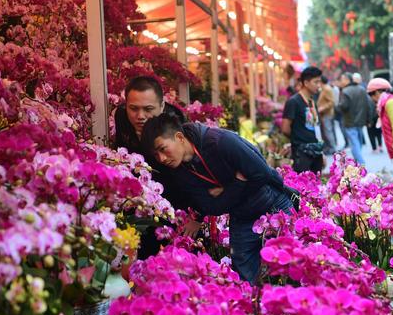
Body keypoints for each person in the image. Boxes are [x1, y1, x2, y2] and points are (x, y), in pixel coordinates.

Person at [141, 113, 293, 283]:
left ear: (179, 137)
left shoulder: (221, 141)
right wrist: (237, 183)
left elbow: (262, 174)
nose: (161, 159)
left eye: (163, 149)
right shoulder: (178, 171)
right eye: (156, 155)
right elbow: (213, 207)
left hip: (273, 204)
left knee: (289, 268)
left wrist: (224, 191)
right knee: (244, 280)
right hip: (241, 215)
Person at [113, 75, 199, 256]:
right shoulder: (121, 117)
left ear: (162, 106)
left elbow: (197, 173)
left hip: (177, 199)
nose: (140, 116)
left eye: (148, 109)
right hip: (139, 202)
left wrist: (198, 217)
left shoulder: (178, 127)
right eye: (133, 108)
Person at [281, 66, 324, 173]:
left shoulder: (312, 101)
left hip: (316, 151)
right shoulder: (293, 101)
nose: (319, 86)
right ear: (306, 82)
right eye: (316, 82)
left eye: (320, 82)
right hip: (302, 154)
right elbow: (285, 128)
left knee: (317, 185)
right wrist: (298, 138)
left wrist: (321, 151)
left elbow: (316, 126)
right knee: (303, 185)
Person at [337, 73, 370, 165]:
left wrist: (338, 106)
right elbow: (368, 105)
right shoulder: (362, 89)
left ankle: (361, 164)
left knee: (355, 144)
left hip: (350, 121)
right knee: (358, 143)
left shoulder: (346, 91)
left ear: (347, 80)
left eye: (342, 79)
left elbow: (344, 106)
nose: (341, 82)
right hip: (360, 121)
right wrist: (368, 119)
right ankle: (359, 163)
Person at [317, 75, 338, 156]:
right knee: (326, 131)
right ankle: (330, 147)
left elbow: (332, 102)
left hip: (327, 113)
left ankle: (333, 148)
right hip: (324, 114)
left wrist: (322, 108)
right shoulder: (324, 88)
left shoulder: (327, 89)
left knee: (328, 131)